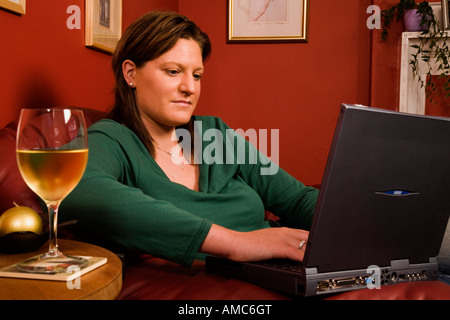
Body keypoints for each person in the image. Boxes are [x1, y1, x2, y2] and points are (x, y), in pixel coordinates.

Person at [62, 11, 319, 268]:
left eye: (197, 75)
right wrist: (238, 243)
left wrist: (349, 222)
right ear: (131, 73)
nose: (190, 88)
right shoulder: (111, 139)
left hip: (286, 265)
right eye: (173, 71)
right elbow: (74, 189)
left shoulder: (215, 134)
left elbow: (296, 199)